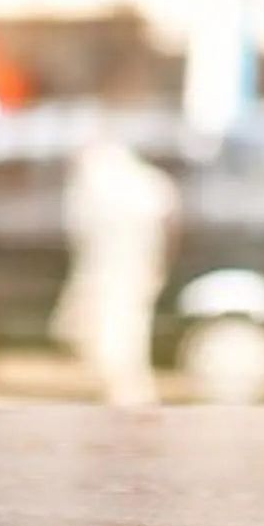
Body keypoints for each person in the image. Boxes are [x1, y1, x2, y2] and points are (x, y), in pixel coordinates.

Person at [54, 123, 178, 406]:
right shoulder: (146, 182)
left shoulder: (98, 186)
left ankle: (126, 390)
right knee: (121, 326)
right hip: (128, 266)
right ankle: (123, 388)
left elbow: (79, 232)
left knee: (117, 328)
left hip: (118, 267)